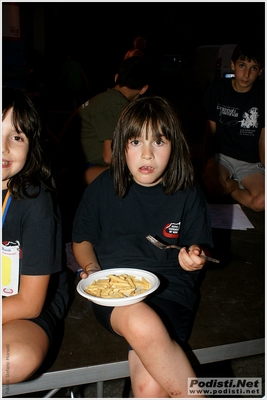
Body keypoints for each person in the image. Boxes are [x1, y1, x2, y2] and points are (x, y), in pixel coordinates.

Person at [72, 96, 214, 398]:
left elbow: (198, 247)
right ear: (121, 146)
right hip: (114, 290)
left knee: (149, 387)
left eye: (159, 142)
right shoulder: (102, 187)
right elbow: (81, 238)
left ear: (174, 145)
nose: (147, 155)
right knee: (140, 320)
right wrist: (93, 269)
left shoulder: (188, 191)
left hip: (171, 290)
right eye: (136, 142)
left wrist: (195, 257)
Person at [2, 87, 69, 384]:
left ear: (31, 146)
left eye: (16, 137)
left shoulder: (36, 202)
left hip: (28, 301)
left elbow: (30, 302)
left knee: (10, 359)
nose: (3, 148)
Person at [59, 56, 150, 186]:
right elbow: (109, 156)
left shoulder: (106, 98)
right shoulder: (116, 105)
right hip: (77, 169)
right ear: (143, 88)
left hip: (68, 163)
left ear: (116, 77)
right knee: (137, 176)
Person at [202, 39, 265, 212]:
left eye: (253, 68)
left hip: (250, 163)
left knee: (261, 202)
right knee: (212, 185)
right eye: (242, 65)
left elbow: (263, 140)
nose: (246, 74)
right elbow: (210, 132)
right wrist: (205, 164)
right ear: (232, 65)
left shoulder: (262, 94)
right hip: (222, 158)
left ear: (261, 71)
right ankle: (228, 186)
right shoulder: (217, 89)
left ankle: (233, 188)